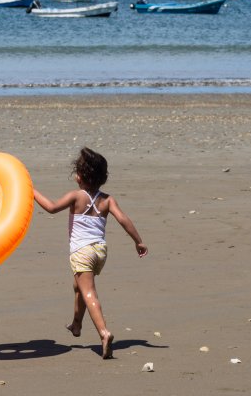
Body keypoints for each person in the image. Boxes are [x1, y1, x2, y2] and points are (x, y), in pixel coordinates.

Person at [32, 147, 147, 359]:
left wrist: (32, 191)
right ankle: (76, 324)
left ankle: (104, 333)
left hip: (82, 251)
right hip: (100, 251)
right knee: (79, 285)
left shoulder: (76, 196)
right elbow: (123, 220)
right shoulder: (108, 200)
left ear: (80, 176)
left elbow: (51, 207)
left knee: (88, 291)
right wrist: (138, 241)